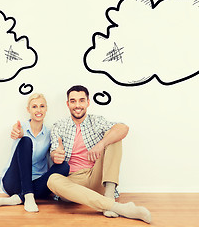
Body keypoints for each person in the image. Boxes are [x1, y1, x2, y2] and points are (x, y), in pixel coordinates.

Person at [47, 85, 151, 223]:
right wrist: (56, 155)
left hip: (96, 175)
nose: (77, 105)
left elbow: (123, 128)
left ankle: (109, 196)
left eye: (81, 100)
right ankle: (118, 207)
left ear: (88, 102)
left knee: (114, 135)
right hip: (74, 182)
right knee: (52, 180)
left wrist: (101, 144)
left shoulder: (96, 121)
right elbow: (54, 152)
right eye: (73, 101)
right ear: (68, 104)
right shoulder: (58, 126)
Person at [0, 93, 70, 212]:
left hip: (37, 183)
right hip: (13, 182)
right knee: (26, 141)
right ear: (28, 109)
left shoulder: (50, 133)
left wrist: (57, 153)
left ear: (46, 109)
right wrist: (18, 134)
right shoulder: (21, 128)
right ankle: (28, 196)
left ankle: (19, 198)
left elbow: (55, 154)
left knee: (64, 166)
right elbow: (17, 130)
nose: (38, 110)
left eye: (42, 106)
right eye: (34, 107)